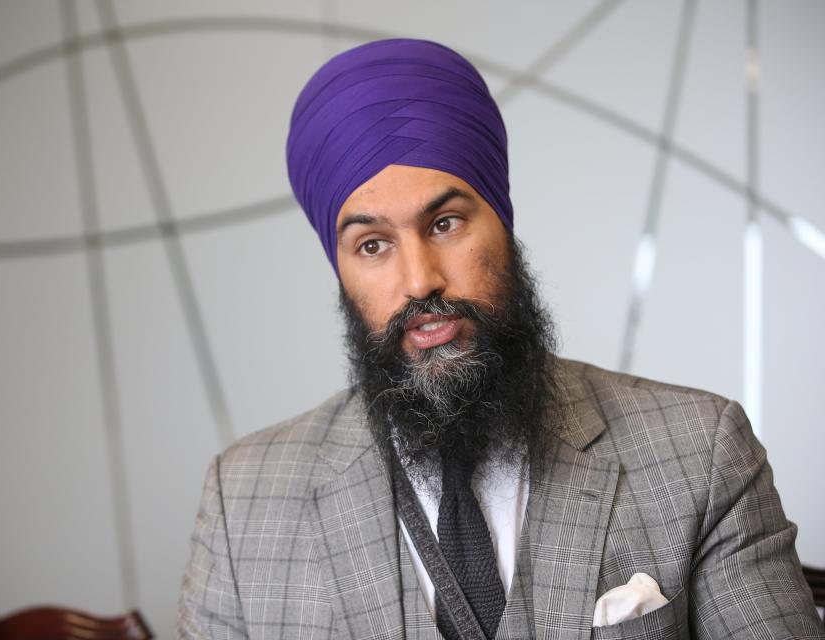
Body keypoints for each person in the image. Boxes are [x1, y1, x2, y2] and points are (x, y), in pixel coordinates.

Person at [178, 38, 823, 639]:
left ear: (503, 224)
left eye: (446, 223)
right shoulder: (244, 502)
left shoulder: (698, 450)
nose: (420, 282)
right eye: (372, 245)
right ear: (340, 272)